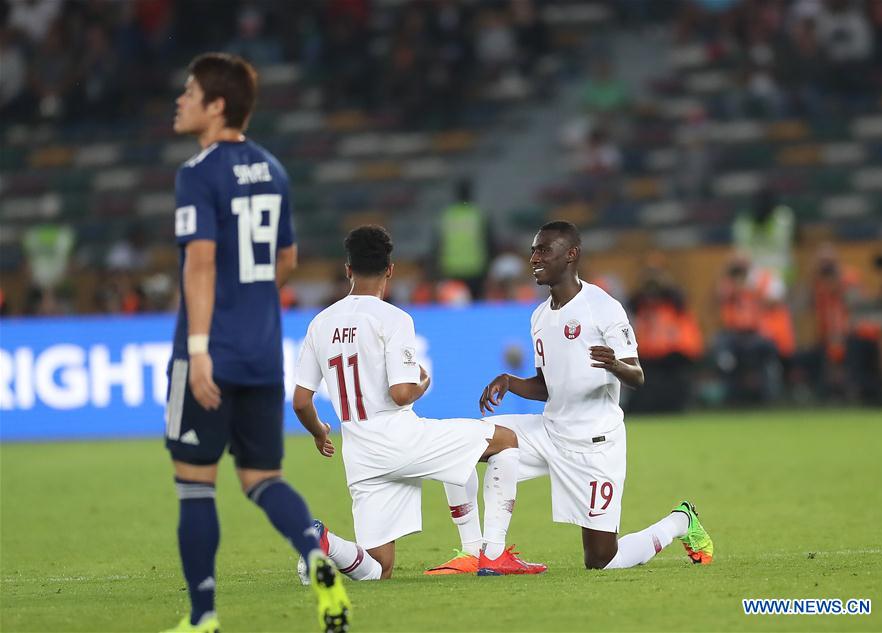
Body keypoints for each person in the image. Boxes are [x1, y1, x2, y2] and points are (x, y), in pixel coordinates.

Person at [163, 52, 349, 633]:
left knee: (196, 486)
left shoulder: (197, 173)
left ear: (216, 106)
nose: (181, 100)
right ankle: (318, 557)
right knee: (262, 478)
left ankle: (204, 616)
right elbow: (287, 259)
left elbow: (199, 262)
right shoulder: (274, 170)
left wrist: (198, 348)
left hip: (210, 351)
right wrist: (248, 301)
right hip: (263, 351)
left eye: (190, 91)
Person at [429, 221, 714, 573]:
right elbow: (548, 386)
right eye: (533, 250)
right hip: (550, 430)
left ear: (571, 255)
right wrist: (509, 381)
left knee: (601, 560)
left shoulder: (602, 307)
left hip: (594, 445)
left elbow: (637, 375)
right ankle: (484, 553)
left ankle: (680, 522)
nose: (534, 257)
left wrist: (614, 366)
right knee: (461, 441)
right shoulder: (539, 316)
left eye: (544, 250)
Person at [292, 225, 546, 579]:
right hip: (399, 437)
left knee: (378, 569)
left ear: (348, 269)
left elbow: (301, 400)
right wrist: (422, 383)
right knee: (505, 440)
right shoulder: (394, 319)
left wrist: (319, 431)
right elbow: (400, 393)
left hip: (360, 452)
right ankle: (491, 553)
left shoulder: (320, 324)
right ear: (390, 269)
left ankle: (323, 543)